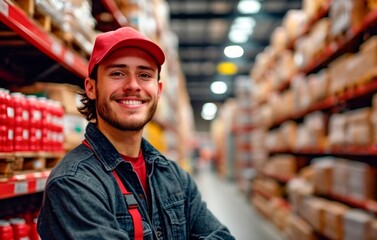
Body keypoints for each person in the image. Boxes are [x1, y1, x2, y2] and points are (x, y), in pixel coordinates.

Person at [37, 27, 235, 240]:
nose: (133, 85)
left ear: (158, 91)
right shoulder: (73, 184)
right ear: (91, 88)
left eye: (144, 75)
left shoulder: (172, 175)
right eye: (117, 73)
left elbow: (221, 236)